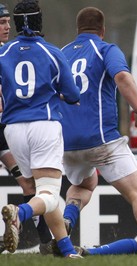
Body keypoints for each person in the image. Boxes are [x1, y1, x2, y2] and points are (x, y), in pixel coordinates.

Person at [57, 7, 137, 257]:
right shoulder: (106, 49)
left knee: (84, 184)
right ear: (102, 30)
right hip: (101, 141)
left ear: (78, 29)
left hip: (67, 144)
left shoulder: (61, 54)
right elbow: (122, 77)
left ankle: (67, 221)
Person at [0, 0, 81, 258]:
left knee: (43, 191)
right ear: (39, 21)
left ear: (14, 22)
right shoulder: (51, 52)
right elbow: (72, 94)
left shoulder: (3, 53)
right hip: (43, 125)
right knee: (48, 194)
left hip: (13, 130)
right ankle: (19, 214)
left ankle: (66, 251)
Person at [0, 2, 53, 255]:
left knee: (28, 185)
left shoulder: (8, 51)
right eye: (1, 23)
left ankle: (45, 242)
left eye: (8, 21)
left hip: (5, 133)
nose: (7, 26)